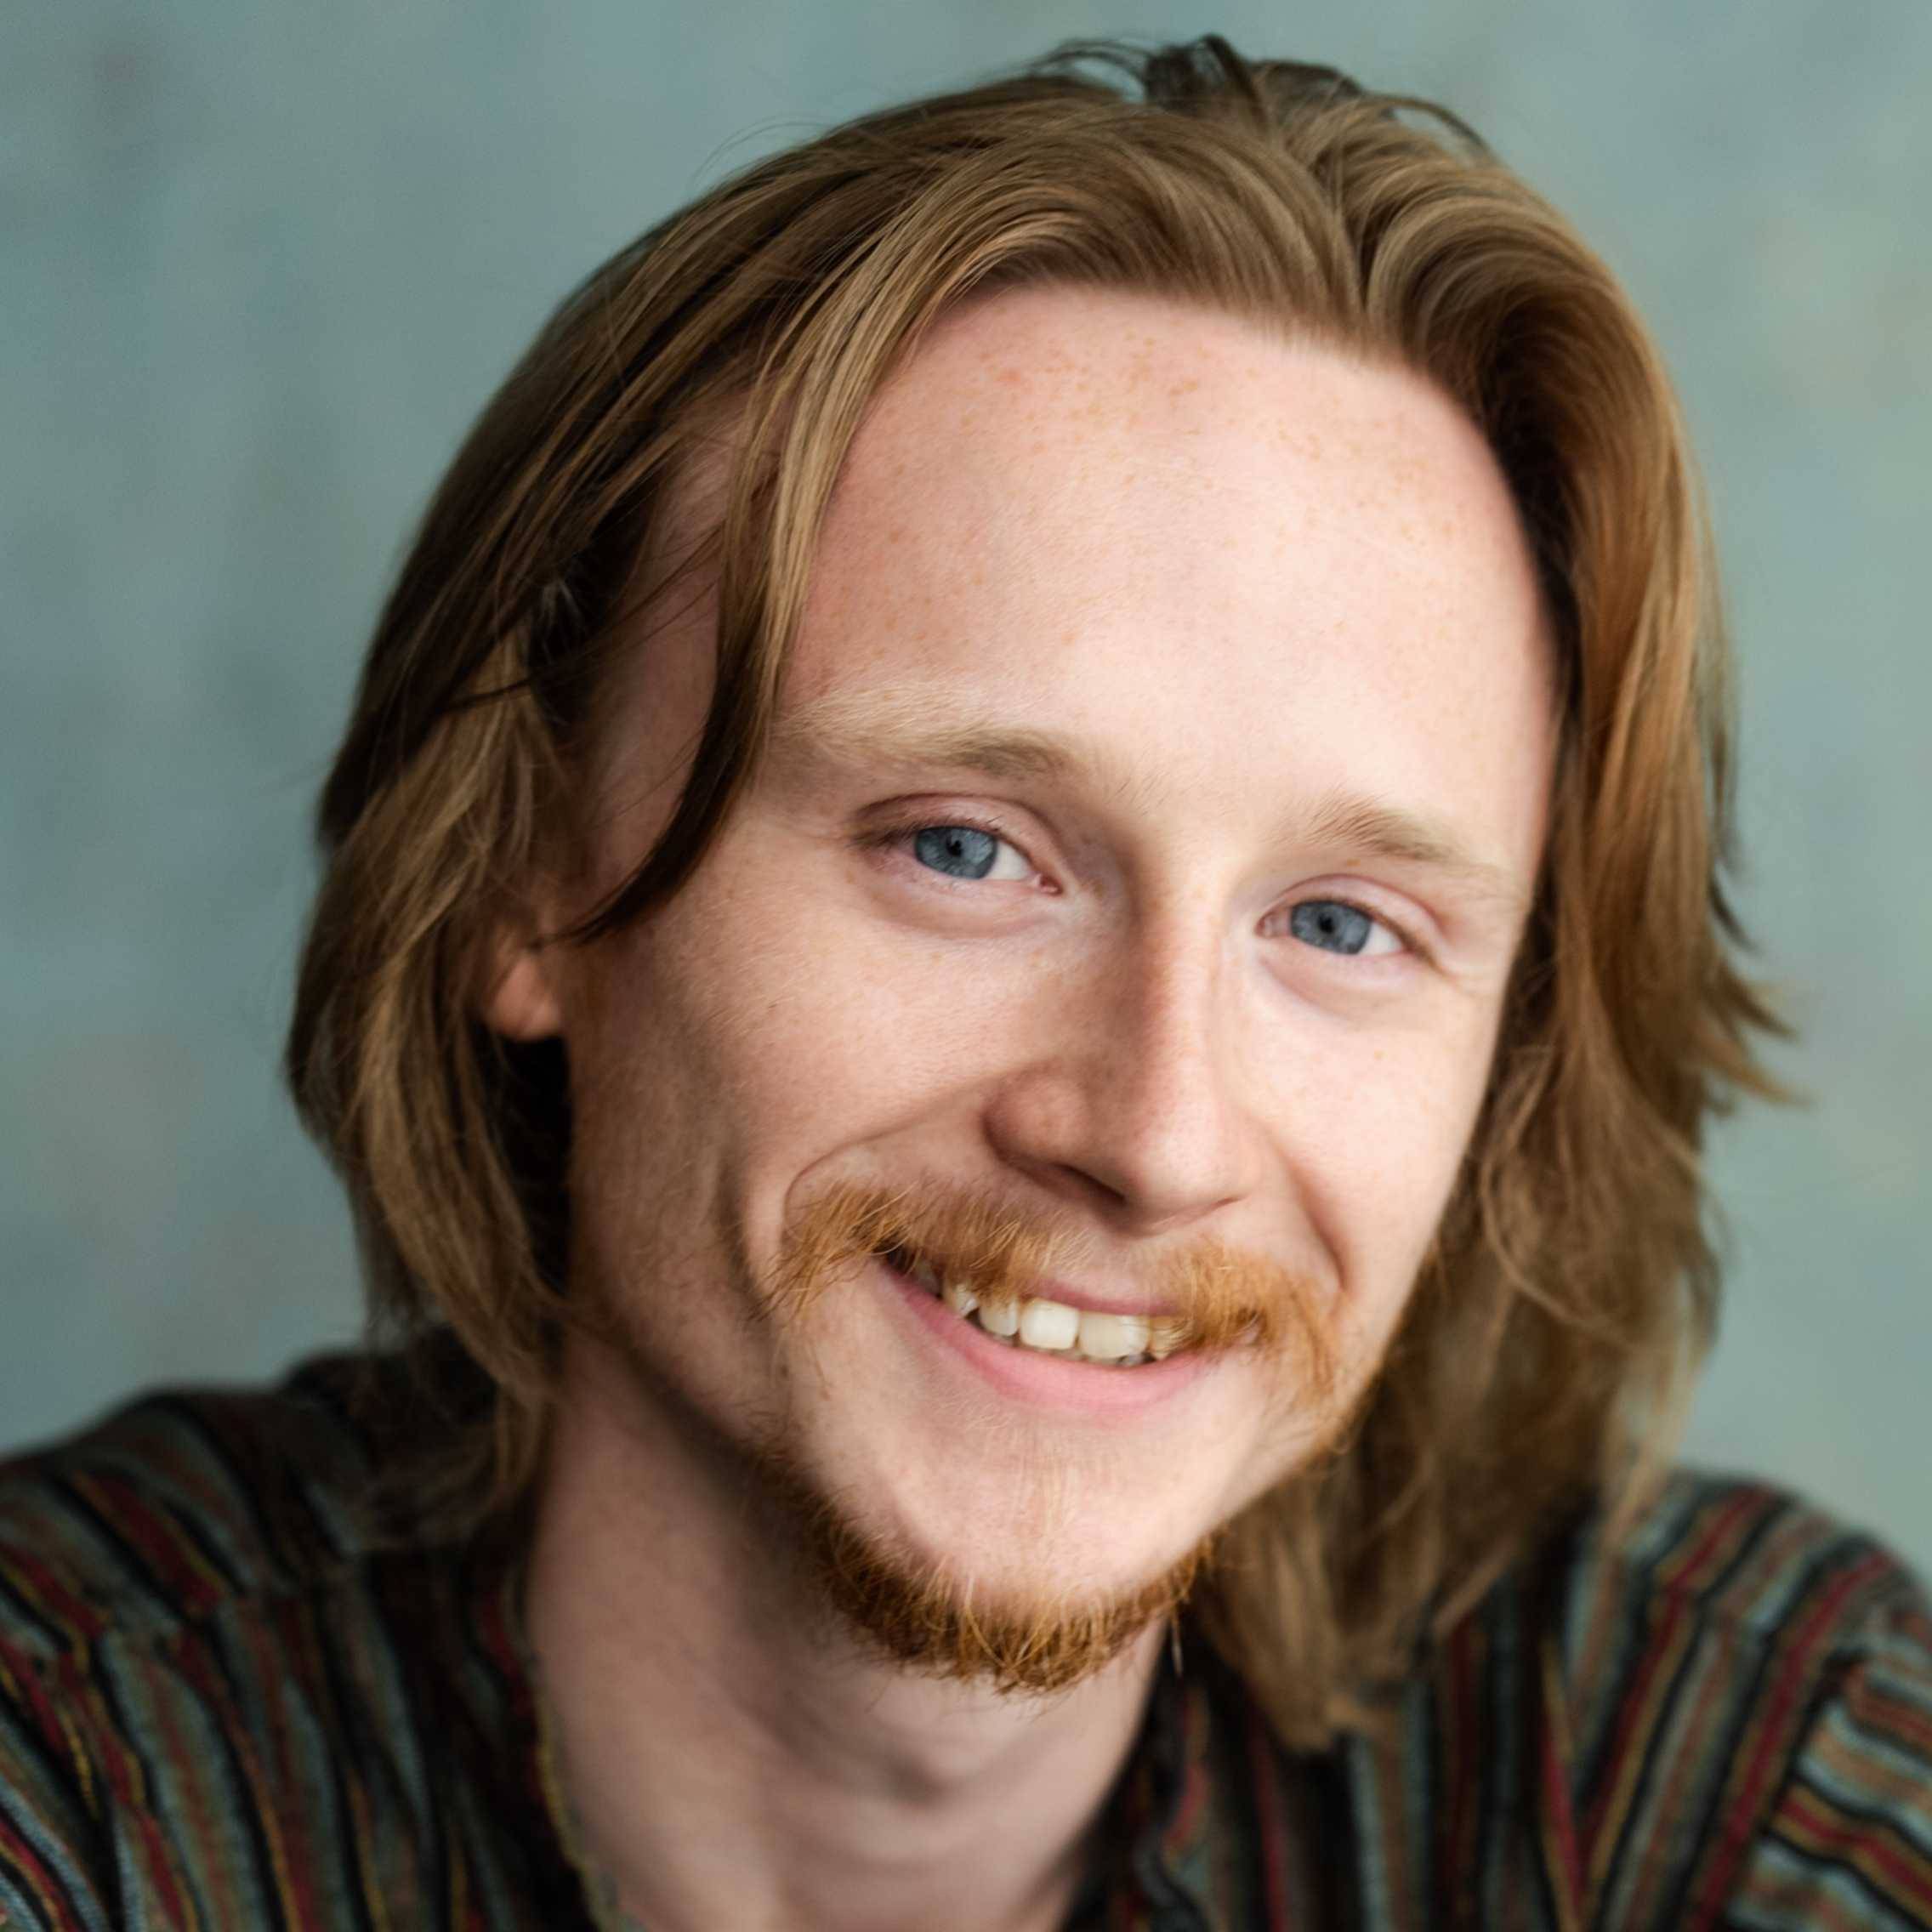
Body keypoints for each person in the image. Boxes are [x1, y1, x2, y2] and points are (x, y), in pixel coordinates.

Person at [2, 35, 1927, 1932]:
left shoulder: (1747, 1794)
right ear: (524, 871)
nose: (1157, 1137)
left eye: (1339, 926)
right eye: (964, 848)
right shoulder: (74, 1772)